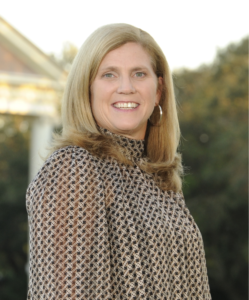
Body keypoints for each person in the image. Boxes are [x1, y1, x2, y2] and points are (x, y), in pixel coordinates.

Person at [26, 23, 211, 299]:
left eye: (139, 73)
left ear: (159, 89)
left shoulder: (161, 180)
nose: (126, 88)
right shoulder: (74, 167)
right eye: (109, 75)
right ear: (87, 89)